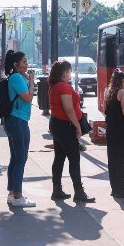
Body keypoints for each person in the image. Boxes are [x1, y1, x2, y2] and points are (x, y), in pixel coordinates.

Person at [48, 60, 95, 203]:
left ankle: (57, 189)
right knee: (74, 159)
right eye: (69, 71)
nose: (70, 74)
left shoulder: (54, 86)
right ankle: (79, 192)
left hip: (57, 124)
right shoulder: (63, 87)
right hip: (65, 126)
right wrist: (78, 127)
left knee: (59, 157)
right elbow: (69, 110)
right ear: (63, 73)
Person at [3, 50, 36, 208]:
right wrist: (31, 80)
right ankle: (18, 195)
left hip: (15, 121)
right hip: (18, 121)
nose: (26, 64)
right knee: (21, 159)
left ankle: (12, 193)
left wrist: (28, 79)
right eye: (23, 62)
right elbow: (28, 98)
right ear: (15, 64)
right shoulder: (16, 77)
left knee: (15, 159)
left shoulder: (15, 77)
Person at [104, 69, 124, 199]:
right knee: (122, 160)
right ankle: (122, 190)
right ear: (122, 80)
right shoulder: (122, 93)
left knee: (112, 159)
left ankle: (114, 189)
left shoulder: (108, 91)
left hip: (111, 129)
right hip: (122, 130)